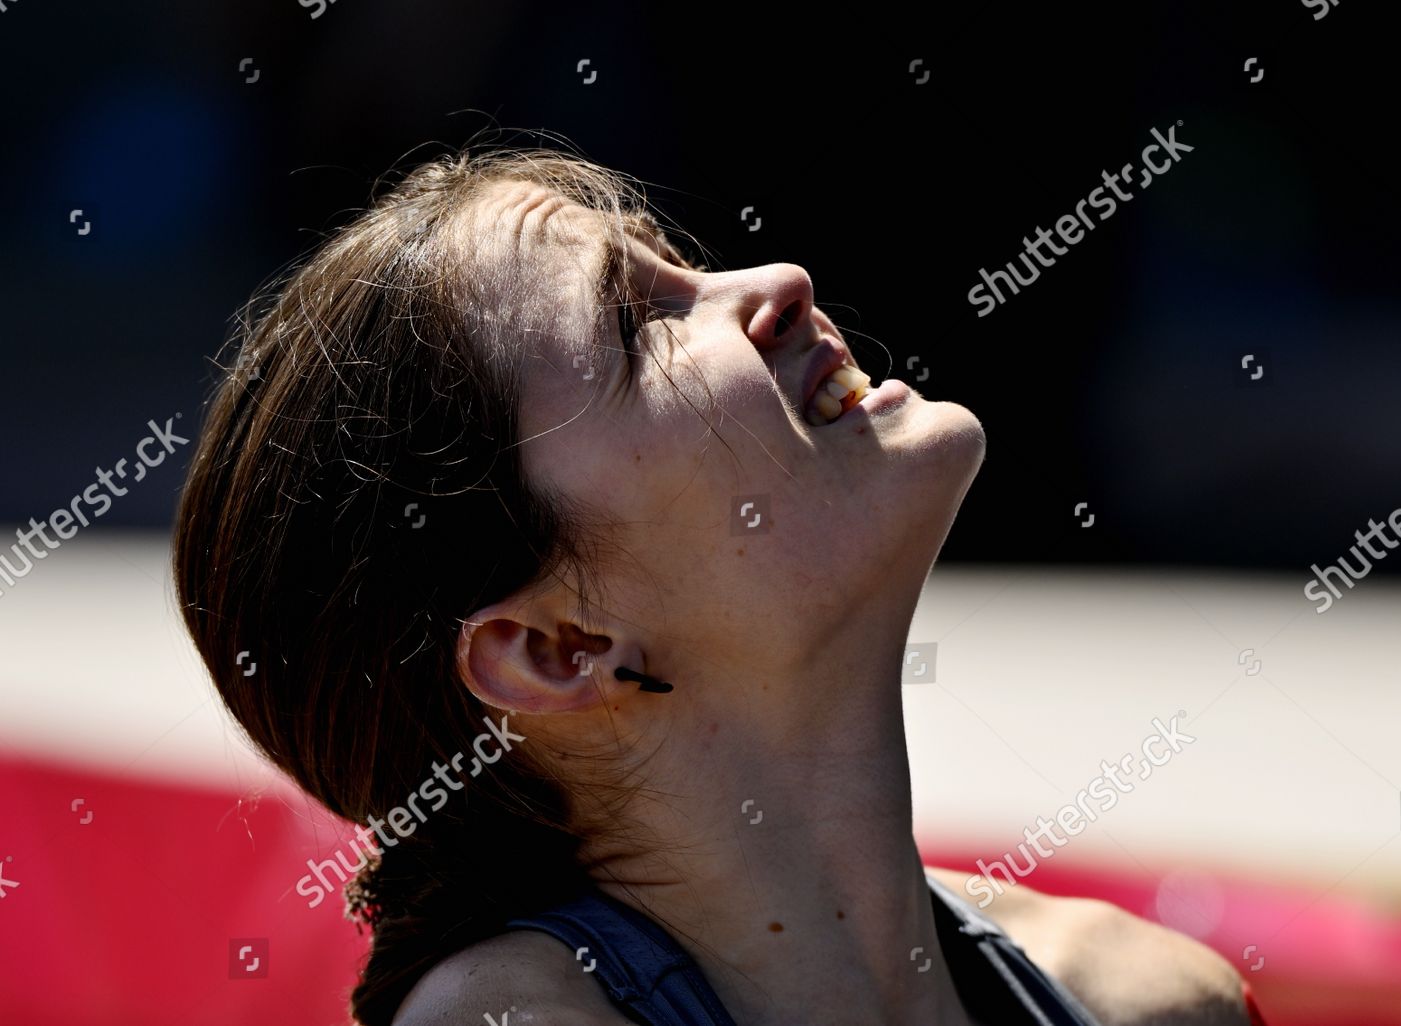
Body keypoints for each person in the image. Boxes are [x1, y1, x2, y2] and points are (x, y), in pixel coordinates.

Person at [171, 145, 1260, 1025]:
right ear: (559, 649)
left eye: (680, 265)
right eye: (635, 325)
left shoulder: (1152, 998)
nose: (779, 282)